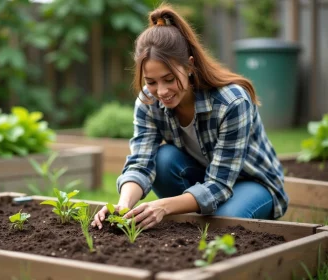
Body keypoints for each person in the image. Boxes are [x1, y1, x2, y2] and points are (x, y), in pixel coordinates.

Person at [91, 4, 288, 230]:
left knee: (224, 223)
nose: (161, 91)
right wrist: (123, 205)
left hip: (252, 182)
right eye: (151, 82)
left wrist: (164, 206)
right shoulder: (148, 101)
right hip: (205, 178)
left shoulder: (232, 102)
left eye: (169, 79)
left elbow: (220, 184)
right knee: (163, 159)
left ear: (189, 66)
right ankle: (193, 217)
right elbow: (140, 163)